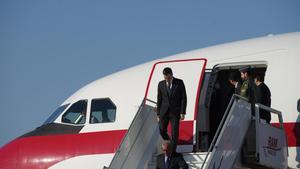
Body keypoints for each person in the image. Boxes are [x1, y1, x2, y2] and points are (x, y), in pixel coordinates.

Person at [157, 67, 187, 152]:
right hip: (164, 111)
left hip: (175, 111)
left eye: (167, 76)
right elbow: (159, 99)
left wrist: (182, 112)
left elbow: (184, 98)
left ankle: (173, 150)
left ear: (171, 74)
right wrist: (158, 114)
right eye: (164, 77)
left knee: (174, 132)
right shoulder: (160, 84)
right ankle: (169, 141)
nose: (166, 78)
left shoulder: (179, 82)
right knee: (162, 129)